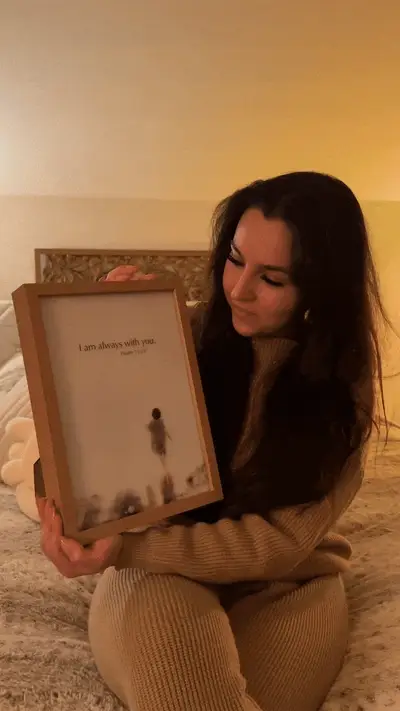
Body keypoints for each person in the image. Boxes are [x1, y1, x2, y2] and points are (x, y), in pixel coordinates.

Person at [37, 171, 388, 711]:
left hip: (286, 582)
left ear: (320, 290)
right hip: (160, 567)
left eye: (272, 279)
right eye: (234, 259)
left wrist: (128, 548)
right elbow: (74, 450)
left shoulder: (342, 390)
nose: (238, 290)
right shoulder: (176, 333)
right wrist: (98, 331)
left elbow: (280, 543)